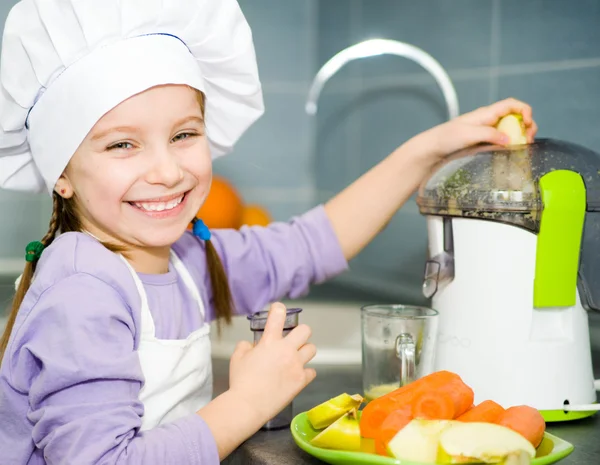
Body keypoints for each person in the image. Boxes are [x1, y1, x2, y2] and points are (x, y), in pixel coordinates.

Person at [0, 0, 538, 463]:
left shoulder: (186, 258)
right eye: (122, 144)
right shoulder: (83, 288)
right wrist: (248, 402)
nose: (166, 170)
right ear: (63, 174)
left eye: (184, 133)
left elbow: (311, 244)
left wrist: (428, 151)